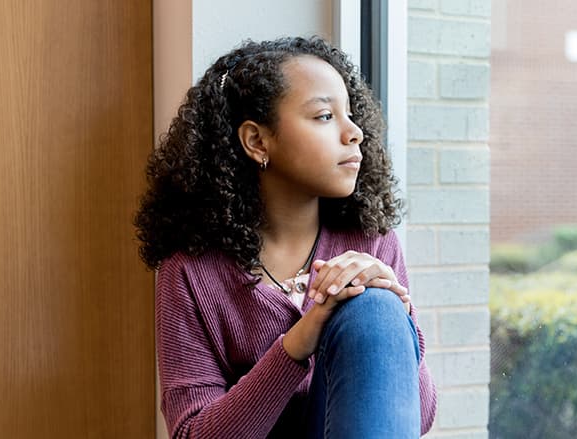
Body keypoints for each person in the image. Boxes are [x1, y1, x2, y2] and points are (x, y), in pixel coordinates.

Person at [134, 36, 437, 438]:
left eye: (350, 114)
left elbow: (418, 418)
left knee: (377, 307)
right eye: (325, 117)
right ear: (257, 141)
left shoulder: (370, 242)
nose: (354, 133)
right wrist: (298, 342)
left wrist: (401, 314)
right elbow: (192, 433)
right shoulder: (190, 272)